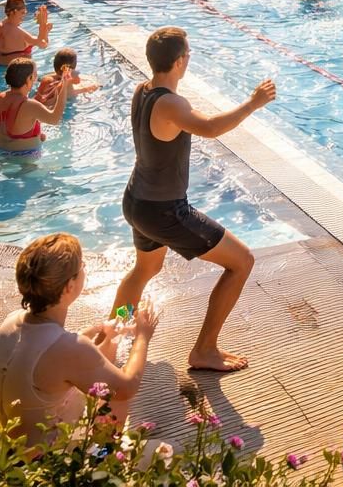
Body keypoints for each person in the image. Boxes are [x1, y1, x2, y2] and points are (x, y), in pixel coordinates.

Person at [111, 27, 276, 372]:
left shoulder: (143, 91)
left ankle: (110, 337)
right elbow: (212, 127)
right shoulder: (171, 103)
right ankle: (204, 350)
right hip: (164, 210)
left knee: (144, 270)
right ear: (181, 60)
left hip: (137, 201)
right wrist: (253, 103)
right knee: (242, 262)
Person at [0, 234, 159, 448]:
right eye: (82, 266)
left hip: (4, 449)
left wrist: (102, 334)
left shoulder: (11, 322)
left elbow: (57, 361)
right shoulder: (70, 348)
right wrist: (143, 336)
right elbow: (128, 386)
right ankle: (103, 460)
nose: (84, 270)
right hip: (42, 464)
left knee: (106, 357)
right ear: (70, 286)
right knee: (117, 397)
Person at [0, 58, 72, 152]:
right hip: (25, 156)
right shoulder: (30, 105)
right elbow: (54, 119)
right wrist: (64, 86)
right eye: (35, 75)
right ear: (29, 78)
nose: (36, 78)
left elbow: (11, 123)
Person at [0, 0, 51, 66]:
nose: (24, 14)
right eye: (22, 12)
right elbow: (43, 45)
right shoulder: (20, 33)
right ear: (13, 12)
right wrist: (43, 25)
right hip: (21, 72)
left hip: (1, 68)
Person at [33, 48, 99, 107]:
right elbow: (93, 86)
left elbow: (38, 101)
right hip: (70, 105)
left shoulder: (47, 80)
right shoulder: (71, 87)